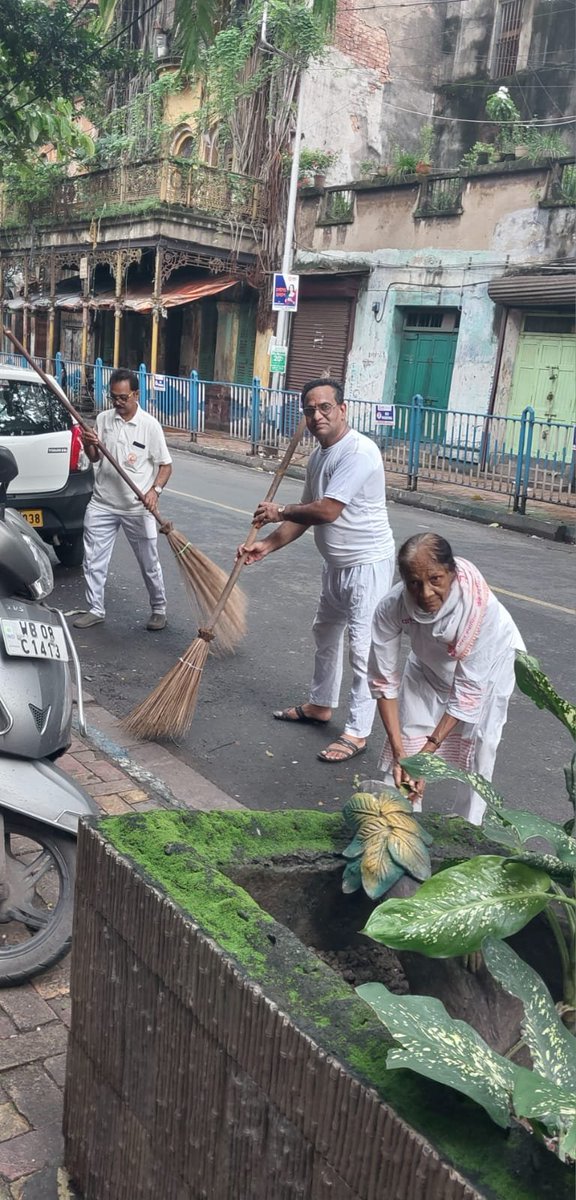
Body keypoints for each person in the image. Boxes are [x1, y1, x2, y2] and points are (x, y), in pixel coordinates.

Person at [240, 378, 396, 762]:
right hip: (337, 564)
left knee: (362, 649)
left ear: (342, 410)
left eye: (325, 407)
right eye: (310, 410)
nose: (317, 415)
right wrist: (267, 544)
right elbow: (305, 516)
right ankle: (321, 705)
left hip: (368, 563)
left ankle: (357, 732)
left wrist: (281, 509)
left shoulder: (359, 451)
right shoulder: (319, 457)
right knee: (324, 632)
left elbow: (326, 510)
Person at [368, 532, 525, 824]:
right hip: (428, 668)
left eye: (435, 579)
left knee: (479, 751)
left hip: (488, 674)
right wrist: (406, 753)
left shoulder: (480, 609)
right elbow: (383, 681)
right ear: (403, 580)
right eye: (414, 583)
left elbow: (467, 691)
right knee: (405, 749)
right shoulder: (392, 607)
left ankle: (468, 830)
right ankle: (399, 824)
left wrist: (426, 757)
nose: (425, 593)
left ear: (451, 573)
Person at [73, 368, 172, 631]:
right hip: (103, 503)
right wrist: (88, 442)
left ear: (136, 395)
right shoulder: (104, 419)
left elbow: (165, 466)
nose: (117, 403)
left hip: (137, 507)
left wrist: (155, 491)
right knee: (93, 559)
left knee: (149, 562)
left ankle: (158, 609)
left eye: (123, 398)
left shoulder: (150, 426)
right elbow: (95, 458)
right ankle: (95, 608)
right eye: (113, 397)